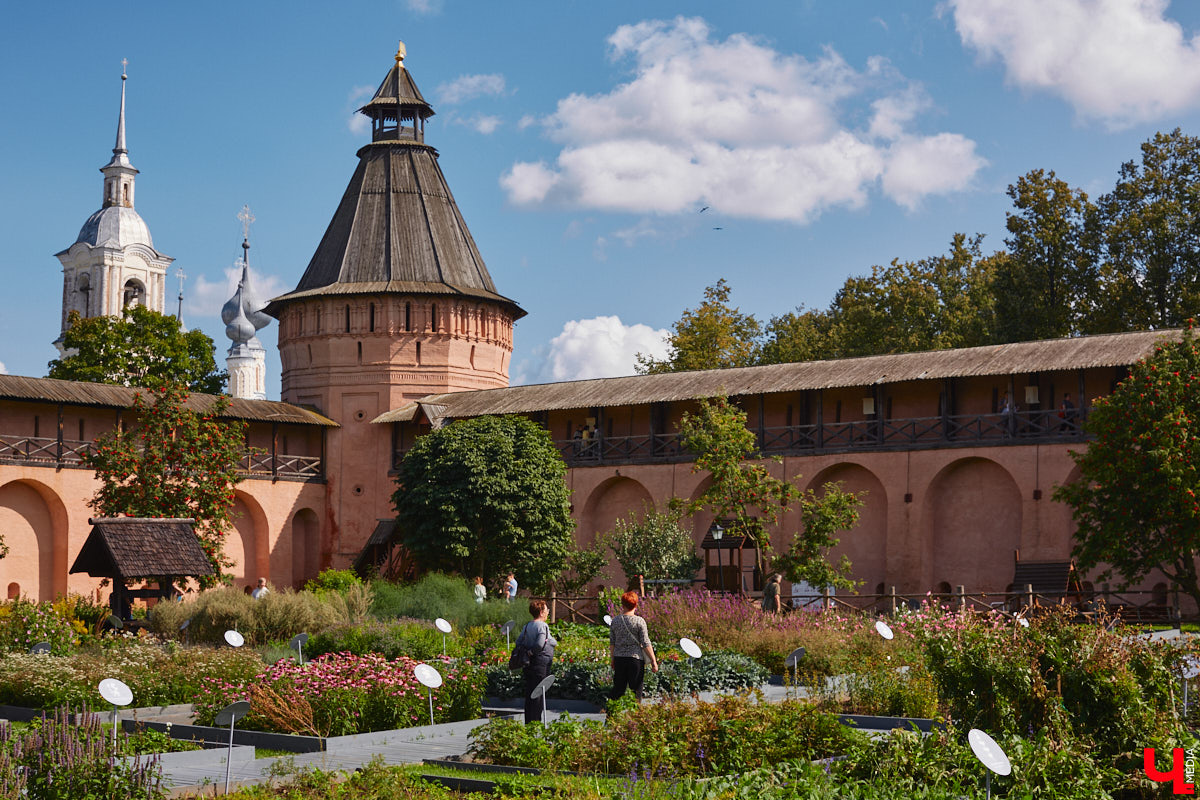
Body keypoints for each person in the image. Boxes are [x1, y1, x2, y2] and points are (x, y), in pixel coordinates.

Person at [609, 591, 659, 702]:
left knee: (618, 690)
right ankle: (635, 717)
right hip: (635, 659)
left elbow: (612, 643)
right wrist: (653, 661)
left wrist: (612, 659)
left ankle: (611, 716)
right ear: (636, 605)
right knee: (636, 691)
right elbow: (645, 642)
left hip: (619, 658)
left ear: (622, 605)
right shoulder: (639, 621)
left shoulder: (615, 621)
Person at [517, 599, 556, 724]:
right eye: (546, 610)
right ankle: (535, 722)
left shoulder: (527, 626)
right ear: (541, 612)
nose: (548, 612)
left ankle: (529, 722)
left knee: (530, 693)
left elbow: (518, 642)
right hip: (539, 664)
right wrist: (531, 652)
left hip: (529, 664)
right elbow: (540, 644)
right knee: (538, 694)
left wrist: (527, 652)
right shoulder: (542, 625)